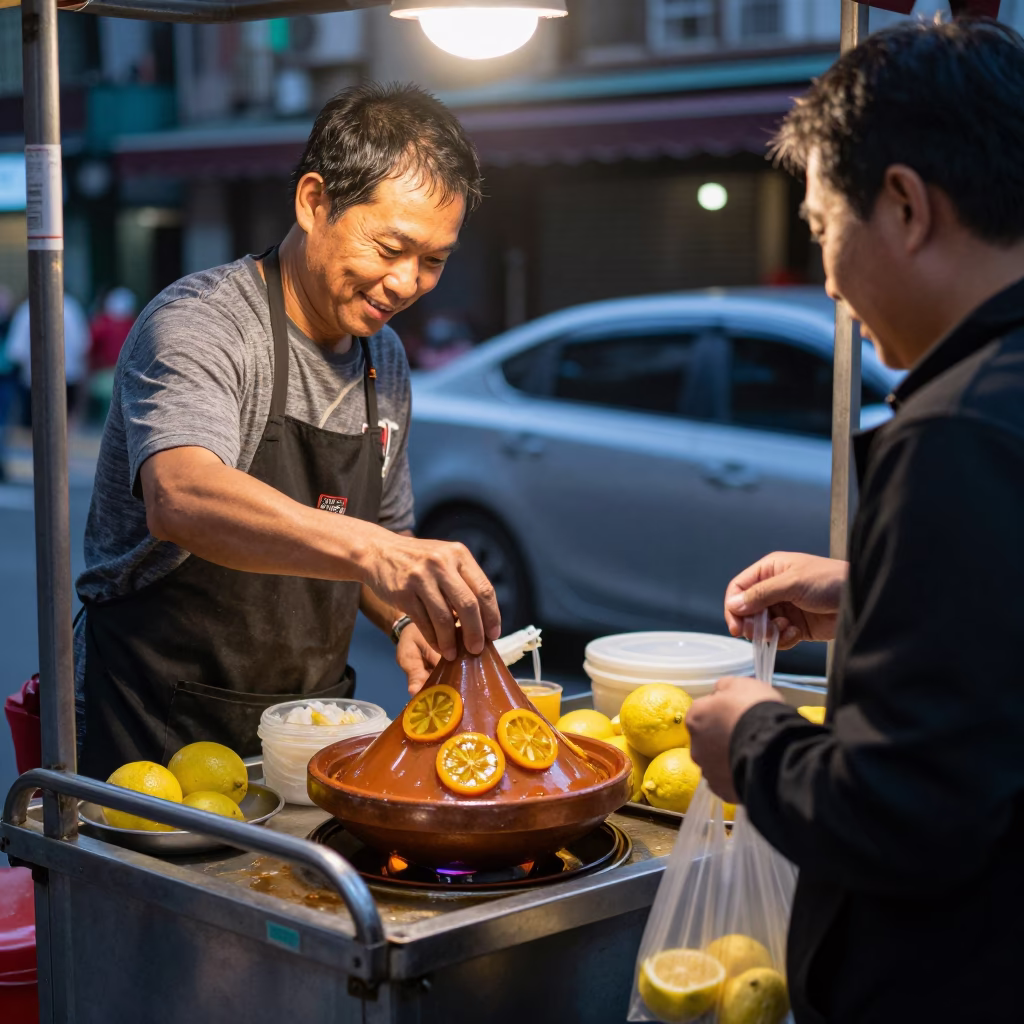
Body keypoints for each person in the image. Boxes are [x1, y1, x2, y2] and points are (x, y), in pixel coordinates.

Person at [684, 20, 1024, 1023]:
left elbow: (903, 811)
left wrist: (751, 737)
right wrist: (874, 590)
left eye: (823, 226)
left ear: (905, 204)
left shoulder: (959, 428)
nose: (827, 279)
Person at [74, 83, 501, 780]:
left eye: (434, 260)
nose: (406, 282)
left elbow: (385, 541)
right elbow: (182, 495)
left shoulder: (382, 358)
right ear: (314, 201)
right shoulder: (203, 324)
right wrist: (376, 552)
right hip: (155, 733)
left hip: (308, 732)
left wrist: (405, 617)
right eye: (391, 246)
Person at [6, 290, 90, 426]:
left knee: (38, 426)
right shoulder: (71, 308)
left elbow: (16, 351)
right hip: (67, 375)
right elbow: (82, 344)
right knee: (63, 423)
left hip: (35, 377)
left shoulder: (27, 309)